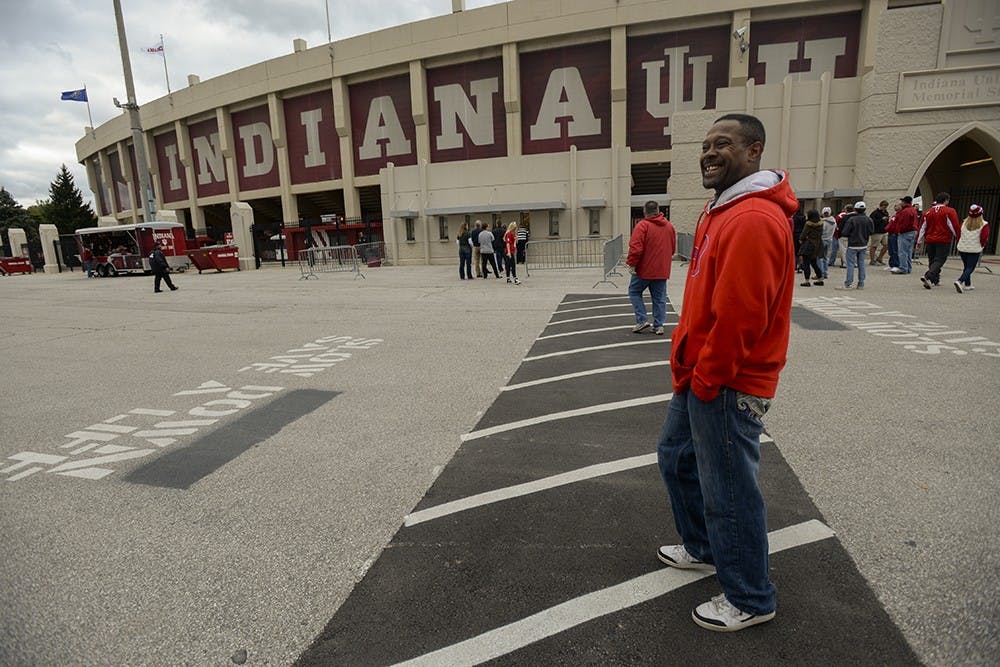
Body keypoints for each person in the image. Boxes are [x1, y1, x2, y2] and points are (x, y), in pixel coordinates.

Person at [656, 113, 797, 632]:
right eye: (706, 145)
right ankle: (703, 547)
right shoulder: (724, 211)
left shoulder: (752, 218)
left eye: (724, 144)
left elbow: (742, 314)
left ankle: (751, 597)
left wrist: (709, 377)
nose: (710, 153)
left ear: (754, 151)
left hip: (727, 380)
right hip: (702, 374)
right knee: (676, 457)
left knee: (730, 490)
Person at [626, 200, 677, 334]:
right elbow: (672, 249)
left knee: (634, 292)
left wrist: (632, 264)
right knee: (659, 298)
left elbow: (636, 248)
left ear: (645, 211)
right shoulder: (669, 227)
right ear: (658, 210)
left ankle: (642, 319)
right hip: (662, 269)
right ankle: (659, 325)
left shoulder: (642, 226)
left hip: (644, 269)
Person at [918, 192, 959, 289]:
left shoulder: (927, 212)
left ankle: (935, 280)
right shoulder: (949, 211)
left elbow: (922, 228)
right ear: (946, 200)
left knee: (932, 259)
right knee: (940, 259)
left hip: (930, 239)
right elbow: (953, 226)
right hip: (943, 239)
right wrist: (958, 237)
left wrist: (918, 241)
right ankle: (928, 275)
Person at [837, 201, 874, 290]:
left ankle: (848, 283)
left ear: (855, 210)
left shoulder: (852, 220)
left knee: (850, 264)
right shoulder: (869, 219)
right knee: (861, 263)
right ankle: (861, 283)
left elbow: (845, 232)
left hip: (853, 244)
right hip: (863, 244)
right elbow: (872, 231)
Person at [954, 204, 989, 293]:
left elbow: (958, 235)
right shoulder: (984, 224)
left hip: (962, 247)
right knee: (970, 267)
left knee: (966, 266)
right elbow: (984, 237)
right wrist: (982, 245)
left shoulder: (964, 223)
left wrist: (959, 243)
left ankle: (968, 284)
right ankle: (960, 280)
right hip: (974, 248)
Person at [891, 195, 919, 275]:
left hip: (905, 232)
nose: (901, 203)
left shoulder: (905, 211)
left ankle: (903, 268)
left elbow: (904, 224)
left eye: (902, 201)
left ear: (905, 202)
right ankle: (908, 267)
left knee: (902, 251)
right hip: (912, 232)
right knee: (909, 251)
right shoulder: (913, 210)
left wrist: (899, 230)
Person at [798, 209, 825, 286]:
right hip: (818, 244)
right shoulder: (821, 223)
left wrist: (801, 239)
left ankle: (807, 281)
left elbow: (803, 234)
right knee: (814, 263)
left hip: (808, 244)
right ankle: (820, 279)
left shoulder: (808, 224)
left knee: (806, 263)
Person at [884, 201, 903, 271]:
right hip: (890, 233)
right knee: (891, 250)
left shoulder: (901, 215)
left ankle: (896, 264)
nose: (895, 207)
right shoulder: (895, 214)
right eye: (895, 206)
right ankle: (891, 264)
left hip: (895, 234)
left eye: (897, 206)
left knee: (895, 250)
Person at [869, 200, 889, 265]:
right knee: (874, 246)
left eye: (886, 207)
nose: (885, 208)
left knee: (886, 246)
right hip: (876, 232)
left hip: (884, 232)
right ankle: (872, 260)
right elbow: (872, 222)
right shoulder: (875, 213)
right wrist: (881, 219)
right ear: (880, 206)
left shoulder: (886, 213)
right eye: (884, 206)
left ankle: (880, 258)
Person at [819, 206, 836, 278]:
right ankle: (826, 272)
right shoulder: (833, 221)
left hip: (823, 240)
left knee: (819, 258)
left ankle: (821, 273)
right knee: (825, 257)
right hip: (829, 239)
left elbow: (821, 231)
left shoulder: (823, 222)